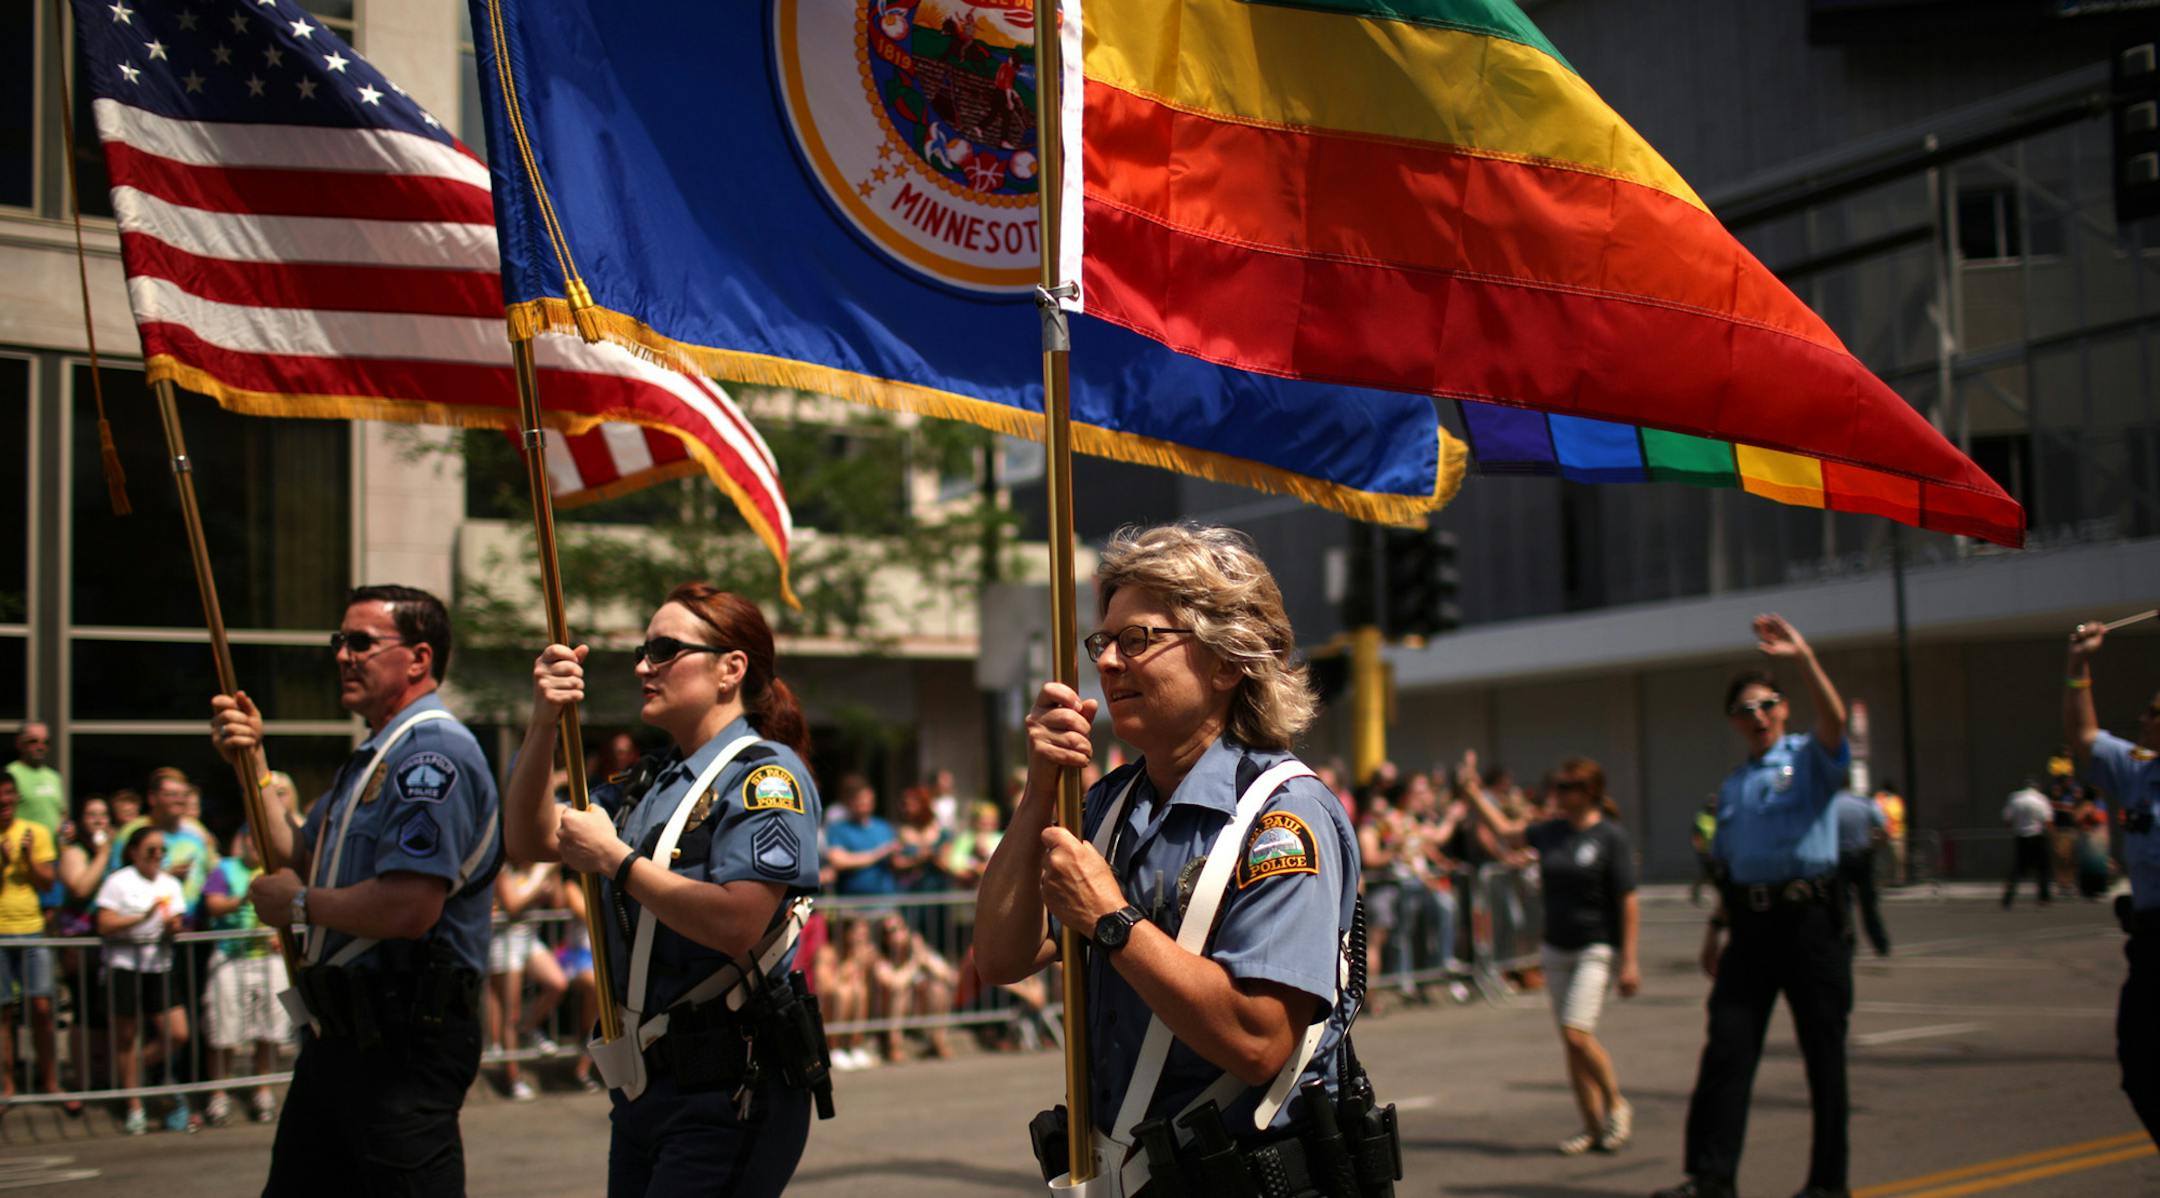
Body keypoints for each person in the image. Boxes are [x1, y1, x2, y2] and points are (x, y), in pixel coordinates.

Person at [974, 524, 1389, 1192]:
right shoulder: (1107, 806)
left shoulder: (1282, 817)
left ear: (1227, 660)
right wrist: (1038, 791)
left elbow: (1258, 1042)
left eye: (1137, 639)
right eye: (1102, 641)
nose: (1107, 662)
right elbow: (999, 958)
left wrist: (1111, 919)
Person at [505, 581, 830, 1197]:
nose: (641, 667)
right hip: (645, 1086)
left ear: (730, 668)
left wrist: (618, 861)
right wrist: (544, 720)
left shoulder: (765, 775)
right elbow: (527, 840)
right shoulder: (645, 780)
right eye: (642, 649)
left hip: (731, 1086)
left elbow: (739, 921)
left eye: (664, 650)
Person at [208, 584, 502, 1195]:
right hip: (343, 1034)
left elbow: (409, 907)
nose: (344, 655)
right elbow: (298, 853)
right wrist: (253, 762)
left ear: (419, 658)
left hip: (401, 1038)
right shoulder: (374, 756)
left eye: (362, 642)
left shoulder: (431, 754)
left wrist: (295, 905)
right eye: (340, 641)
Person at [1654, 614, 1852, 1198]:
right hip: (1749, 924)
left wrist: (1804, 656)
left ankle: (1826, 1184)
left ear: (1783, 708)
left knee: (1823, 1056)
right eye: (1745, 710)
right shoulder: (1736, 785)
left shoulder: (1810, 759)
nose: (1757, 718)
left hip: (1811, 921)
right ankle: (1711, 1177)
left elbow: (1836, 721)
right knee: (1727, 1048)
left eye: (1767, 705)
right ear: (1734, 722)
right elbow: (1733, 866)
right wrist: (1716, 929)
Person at [1461, 751, 1640, 1155]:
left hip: (1595, 947)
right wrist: (1473, 793)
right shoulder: (1551, 831)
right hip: (1556, 947)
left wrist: (1629, 960)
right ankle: (1592, 1127)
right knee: (1571, 1039)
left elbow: (1628, 900)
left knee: (1577, 1033)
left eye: (1565, 787)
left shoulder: (1610, 836)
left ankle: (1615, 1103)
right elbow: (1507, 832)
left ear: (1588, 791)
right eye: (1555, 786)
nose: (1556, 794)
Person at [2065, 618, 2160, 1147]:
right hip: (2150, 943)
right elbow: (2083, 737)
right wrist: (2079, 665)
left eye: (2153, 713)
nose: (2143, 719)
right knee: (2139, 1064)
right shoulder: (2139, 772)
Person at [94, 826, 190, 1135]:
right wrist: (142, 917)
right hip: (124, 965)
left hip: (158, 965)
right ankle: (134, 1104)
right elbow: (105, 923)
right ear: (134, 852)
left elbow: (177, 923)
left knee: (177, 1033)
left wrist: (173, 927)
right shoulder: (118, 881)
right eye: (151, 850)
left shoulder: (170, 884)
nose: (158, 856)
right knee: (125, 1035)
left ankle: (133, 1072)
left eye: (162, 850)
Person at [201, 825, 291, 1127]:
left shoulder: (278, 871)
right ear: (241, 842)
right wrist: (244, 899)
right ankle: (218, 1094)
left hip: (268, 958)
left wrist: (282, 933)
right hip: (231, 956)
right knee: (224, 1030)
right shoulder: (224, 869)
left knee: (269, 1028)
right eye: (250, 839)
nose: (255, 845)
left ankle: (262, 1091)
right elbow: (213, 905)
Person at [487, 860, 568, 1102]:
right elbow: (511, 905)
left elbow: (559, 904)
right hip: (505, 939)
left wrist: (552, 879)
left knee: (557, 983)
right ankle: (512, 1078)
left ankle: (527, 1028)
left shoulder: (543, 865)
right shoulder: (503, 867)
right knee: (509, 1013)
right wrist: (538, 883)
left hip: (528, 938)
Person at [0, 774, 58, 1104]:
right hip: (0, 931)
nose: (5, 802)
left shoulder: (34, 832)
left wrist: (25, 860)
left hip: (32, 928)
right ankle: (7, 1086)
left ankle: (50, 1081)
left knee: (41, 1007)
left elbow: (49, 883)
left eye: (9, 795)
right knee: (3, 1012)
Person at [1832, 790, 1890, 955]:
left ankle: (1849, 943)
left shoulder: (1832, 805)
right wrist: (1875, 849)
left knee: (1844, 906)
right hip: (1863, 857)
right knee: (1869, 905)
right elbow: (1883, 829)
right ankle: (1880, 943)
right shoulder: (1864, 803)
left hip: (1840, 859)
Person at [826, 779, 901, 897]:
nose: (864, 805)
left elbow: (896, 862)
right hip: (852, 903)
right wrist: (878, 854)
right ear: (850, 802)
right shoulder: (839, 829)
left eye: (868, 801)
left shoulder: (883, 827)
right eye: (860, 801)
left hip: (884, 899)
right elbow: (839, 861)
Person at [2002, 779, 2053, 908]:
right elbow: (2047, 820)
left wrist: (2015, 828)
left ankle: (2008, 897)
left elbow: (2007, 820)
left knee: (2017, 868)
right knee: (2042, 868)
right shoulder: (2041, 799)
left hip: (2020, 837)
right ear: (2037, 787)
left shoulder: (2015, 798)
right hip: (2037, 836)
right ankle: (2043, 897)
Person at [7, 724, 63, 841]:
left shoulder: (53, 777)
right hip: (22, 854)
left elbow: (62, 813)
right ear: (19, 743)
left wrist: (67, 828)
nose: (40, 746)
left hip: (52, 854)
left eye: (46, 742)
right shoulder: (10, 774)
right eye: (33, 741)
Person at [1872, 782, 1908, 886]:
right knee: (1888, 858)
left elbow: (1898, 815)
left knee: (1898, 859)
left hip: (1895, 833)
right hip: (1887, 834)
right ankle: (1887, 879)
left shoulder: (1894, 800)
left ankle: (1898, 880)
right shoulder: (1880, 799)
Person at [1690, 796, 1718, 906]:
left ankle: (1717, 899)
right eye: (1711, 806)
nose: (1712, 808)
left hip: (1715, 851)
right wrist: (1700, 850)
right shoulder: (1701, 818)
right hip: (1705, 852)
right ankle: (1695, 893)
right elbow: (1696, 835)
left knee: (1712, 875)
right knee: (1705, 874)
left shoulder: (1718, 817)